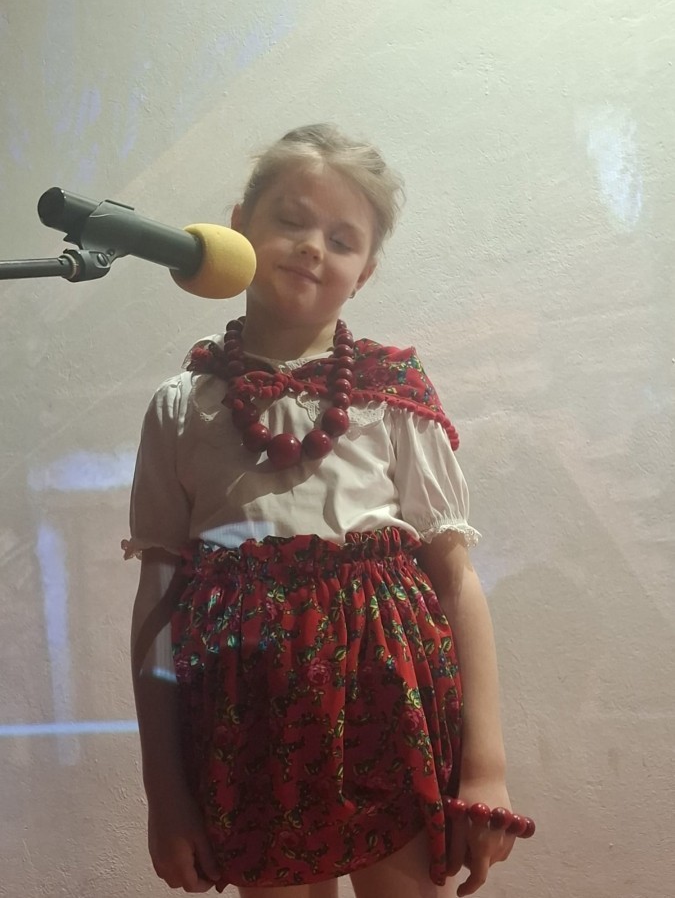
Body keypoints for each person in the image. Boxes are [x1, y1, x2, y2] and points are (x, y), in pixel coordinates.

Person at [125, 123, 532, 898]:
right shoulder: (182, 406)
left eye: (341, 239)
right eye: (290, 219)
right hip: (245, 725)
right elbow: (159, 599)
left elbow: (454, 578)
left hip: (393, 712)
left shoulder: (392, 394)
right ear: (237, 227)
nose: (312, 247)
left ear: (364, 272)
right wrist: (165, 793)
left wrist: (486, 767)